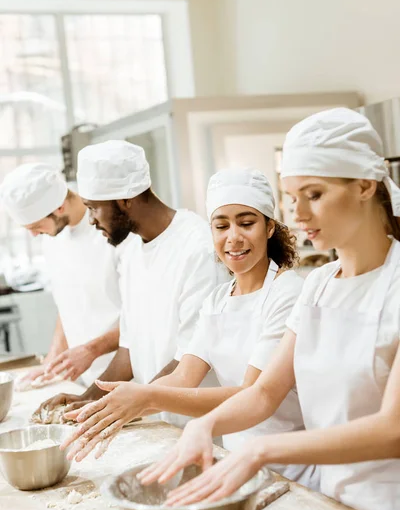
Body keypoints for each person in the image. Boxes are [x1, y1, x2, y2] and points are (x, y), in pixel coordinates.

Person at [136, 108, 400, 510]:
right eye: (292, 198)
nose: (299, 214)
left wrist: (260, 451)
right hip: (329, 503)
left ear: (366, 185)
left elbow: (392, 430)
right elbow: (263, 394)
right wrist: (203, 426)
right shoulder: (319, 284)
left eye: (313, 195)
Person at [61, 168, 317, 489]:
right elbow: (184, 376)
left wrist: (147, 396)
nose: (233, 237)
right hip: (236, 461)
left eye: (247, 223)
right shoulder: (217, 300)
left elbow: (252, 393)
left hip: (293, 467)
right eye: (221, 226)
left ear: (269, 227)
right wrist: (114, 409)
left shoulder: (289, 293)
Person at [35, 140, 224, 425]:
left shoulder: (197, 248)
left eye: (94, 209)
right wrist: (89, 398)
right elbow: (129, 348)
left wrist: (122, 405)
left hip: (199, 427)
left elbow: (190, 357)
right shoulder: (132, 250)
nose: (91, 221)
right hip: (157, 418)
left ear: (125, 200)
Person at [0, 163, 123, 387]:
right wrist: (52, 360)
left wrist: (90, 350)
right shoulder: (53, 237)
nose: (35, 235)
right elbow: (68, 302)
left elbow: (144, 317)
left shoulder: (114, 234)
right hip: (83, 377)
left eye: (36, 226)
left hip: (127, 375)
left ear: (59, 207)